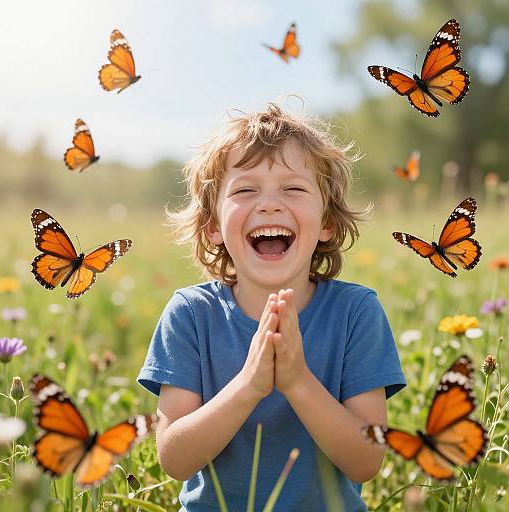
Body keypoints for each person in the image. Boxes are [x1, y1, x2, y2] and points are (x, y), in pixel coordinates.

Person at [137, 102, 406, 511]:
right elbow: (174, 459)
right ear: (213, 226)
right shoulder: (190, 314)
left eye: (293, 189)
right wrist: (250, 385)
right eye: (245, 190)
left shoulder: (356, 313)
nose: (269, 204)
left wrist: (297, 381)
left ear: (327, 222)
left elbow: (366, 461)